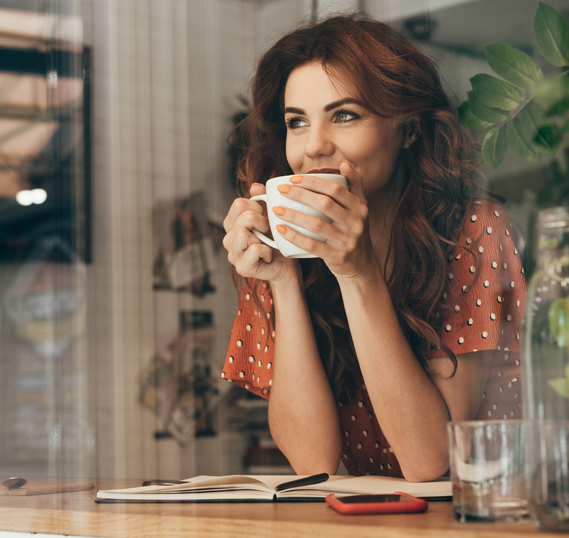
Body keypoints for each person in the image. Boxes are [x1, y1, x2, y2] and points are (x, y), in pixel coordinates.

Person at [220, 14, 526, 482]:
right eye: (296, 122)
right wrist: (284, 282)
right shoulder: (286, 246)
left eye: (344, 115)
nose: (313, 147)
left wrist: (356, 272)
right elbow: (312, 462)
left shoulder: (472, 231)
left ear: (408, 131)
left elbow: (429, 462)